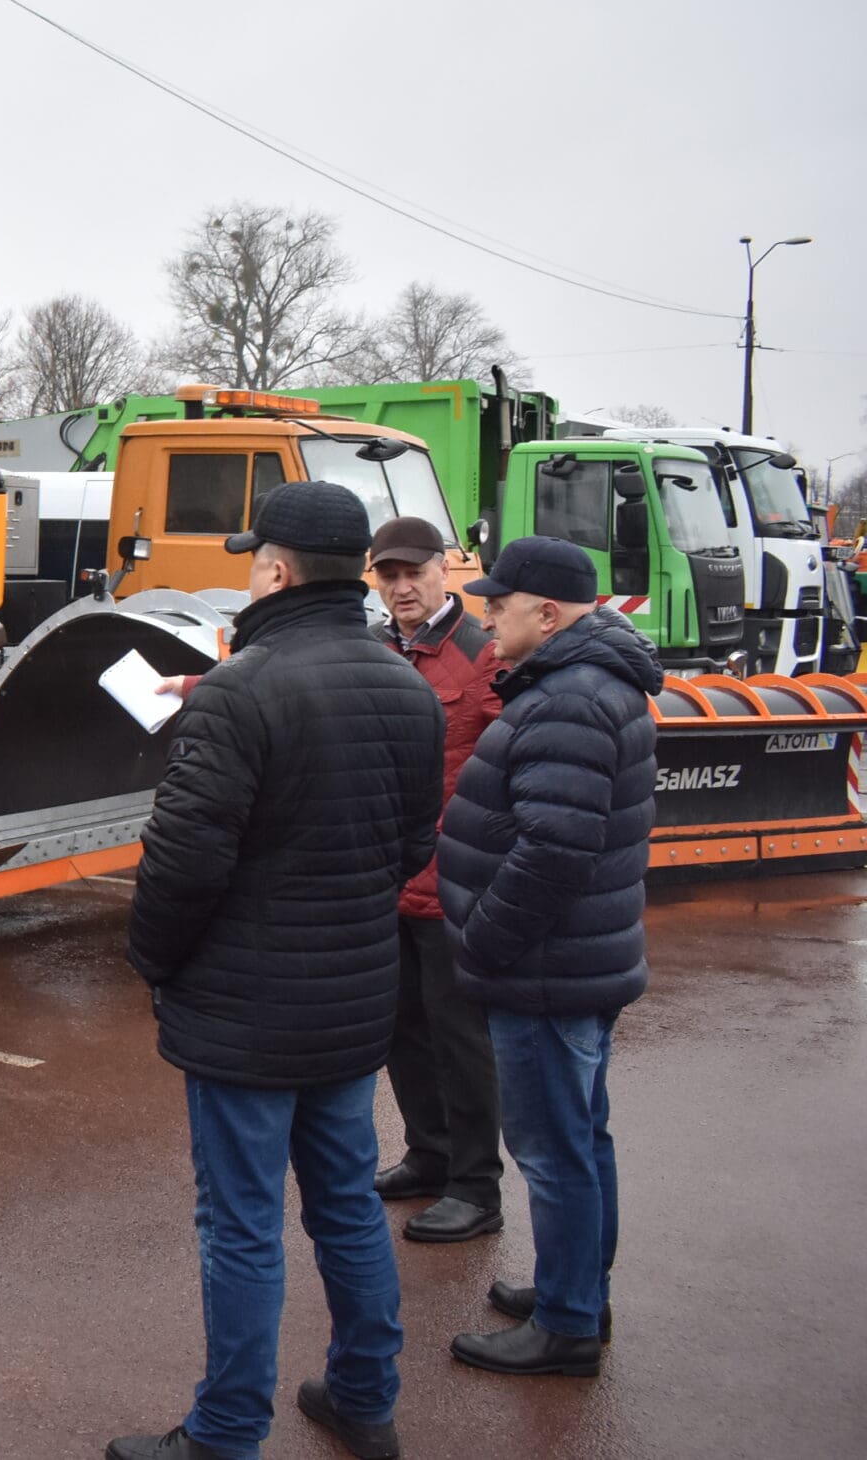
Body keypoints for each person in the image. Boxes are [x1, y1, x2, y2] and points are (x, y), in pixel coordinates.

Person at [107, 481, 446, 1460]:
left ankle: (222, 1434)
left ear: (275, 569)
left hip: (242, 1012)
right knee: (343, 1201)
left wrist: (153, 962)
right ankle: (362, 1394)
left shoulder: (243, 688)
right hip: (348, 1002)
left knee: (242, 1223)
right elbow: (412, 842)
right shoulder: (405, 688)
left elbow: (181, 865)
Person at [437, 535, 660, 1377]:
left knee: (553, 1147)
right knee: (581, 1135)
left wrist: (485, 940)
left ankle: (567, 1322)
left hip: (542, 967)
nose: (487, 617)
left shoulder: (569, 699)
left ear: (550, 613)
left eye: (500, 605)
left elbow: (555, 851)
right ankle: (576, 1289)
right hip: (571, 961)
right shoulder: (586, 683)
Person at [366, 516, 507, 1245]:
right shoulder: (380, 649)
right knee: (400, 1029)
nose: (401, 587)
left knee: (461, 1040)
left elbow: (517, 761)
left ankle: (476, 1187)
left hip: (452, 885)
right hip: (390, 881)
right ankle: (429, 1154)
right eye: (387, 576)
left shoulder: (481, 656)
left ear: (442, 572)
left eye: (412, 573)